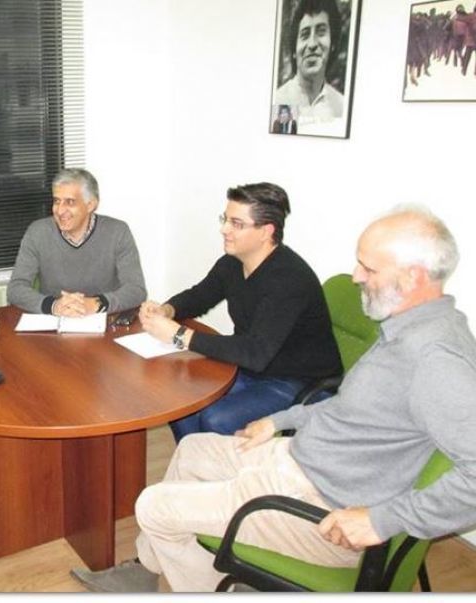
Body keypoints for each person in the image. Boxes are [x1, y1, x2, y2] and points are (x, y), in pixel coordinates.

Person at [70, 205, 476, 593]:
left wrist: (383, 520)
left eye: (368, 268)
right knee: (193, 450)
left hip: (324, 509)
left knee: (153, 505)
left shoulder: (436, 360)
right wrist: (281, 421)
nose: (355, 277)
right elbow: (352, 406)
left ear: (413, 276)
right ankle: (148, 571)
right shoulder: (403, 330)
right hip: (303, 460)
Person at [140, 182, 341, 442]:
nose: (224, 229)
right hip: (252, 367)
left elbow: (254, 353)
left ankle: (217, 473)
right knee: (181, 404)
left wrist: (179, 335)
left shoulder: (289, 280)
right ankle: (199, 470)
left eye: (237, 223)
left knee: (215, 418)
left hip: (300, 381)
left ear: (265, 231)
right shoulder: (233, 263)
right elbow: (200, 295)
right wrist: (167, 309)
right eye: (225, 219)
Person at [6, 168, 146, 317]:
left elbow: (136, 290)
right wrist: (54, 305)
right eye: (57, 201)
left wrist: (95, 304)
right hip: (54, 323)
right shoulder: (38, 232)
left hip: (103, 321)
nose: (60, 211)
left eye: (70, 202)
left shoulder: (118, 231)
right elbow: (16, 289)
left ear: (91, 204)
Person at [273, 0, 345, 123]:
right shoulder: (279, 100)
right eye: (305, 35)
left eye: (321, 32)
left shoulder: (341, 106)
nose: (312, 44)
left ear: (332, 44)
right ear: (294, 51)